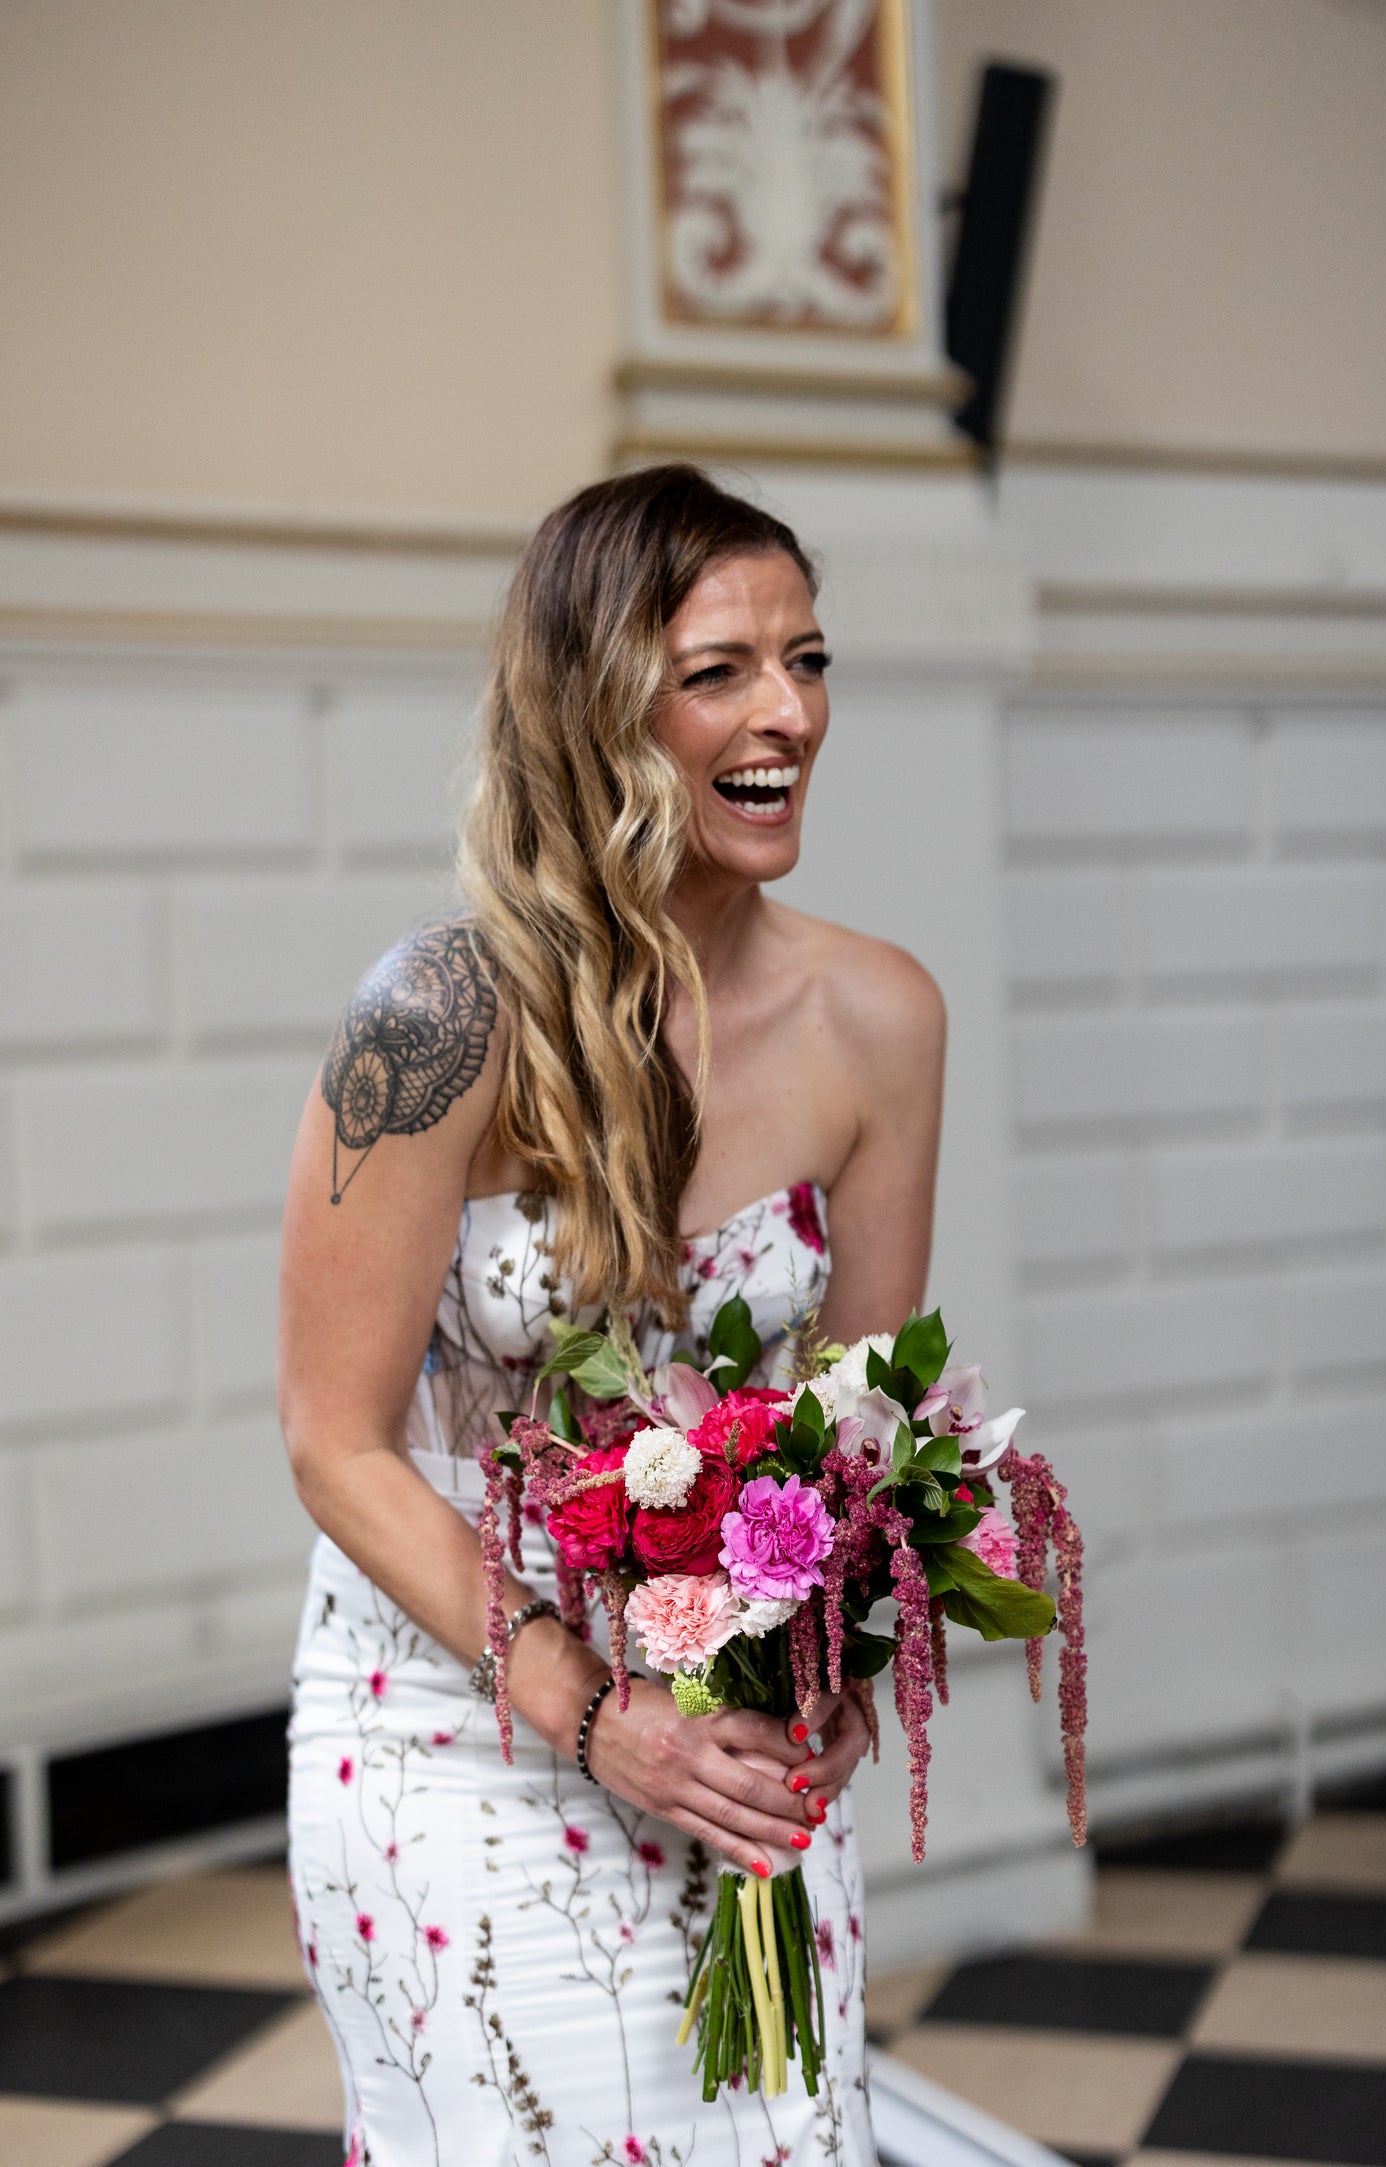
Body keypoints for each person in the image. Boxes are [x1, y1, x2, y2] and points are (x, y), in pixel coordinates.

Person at [280, 464, 945, 2166]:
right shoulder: (435, 1017)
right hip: (460, 1720)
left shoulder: (875, 1015)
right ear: (594, 707)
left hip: (727, 1730)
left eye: (805, 660)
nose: (784, 709)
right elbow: (335, 1442)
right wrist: (597, 1716)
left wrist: (833, 1655)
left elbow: (863, 1421)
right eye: (717, 669)